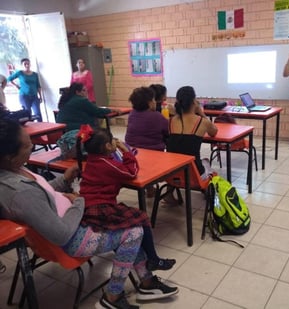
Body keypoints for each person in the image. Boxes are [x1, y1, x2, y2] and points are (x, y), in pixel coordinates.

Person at [0, 118, 178, 309]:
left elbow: (44, 195)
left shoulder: (16, 170)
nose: (34, 145)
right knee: (134, 231)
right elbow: (60, 234)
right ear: (10, 156)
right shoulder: (19, 192)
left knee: (125, 221)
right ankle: (112, 298)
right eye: (28, 145)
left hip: (76, 218)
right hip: (72, 236)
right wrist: (78, 201)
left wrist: (64, 181)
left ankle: (146, 282)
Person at [76, 124, 175, 271]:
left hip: (89, 206)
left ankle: (146, 256)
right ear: (108, 146)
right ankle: (153, 259)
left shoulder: (93, 160)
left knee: (132, 217)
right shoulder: (106, 163)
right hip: (100, 209)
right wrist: (126, 151)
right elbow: (131, 172)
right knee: (141, 217)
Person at [167, 86, 218, 180]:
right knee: (206, 162)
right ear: (194, 101)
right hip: (195, 175)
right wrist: (201, 113)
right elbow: (214, 132)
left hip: (172, 174)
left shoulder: (170, 121)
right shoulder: (202, 121)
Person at [125, 87, 169, 151]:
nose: (155, 102)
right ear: (149, 103)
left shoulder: (132, 113)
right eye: (153, 100)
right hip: (153, 152)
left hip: (132, 150)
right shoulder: (156, 116)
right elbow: (168, 131)